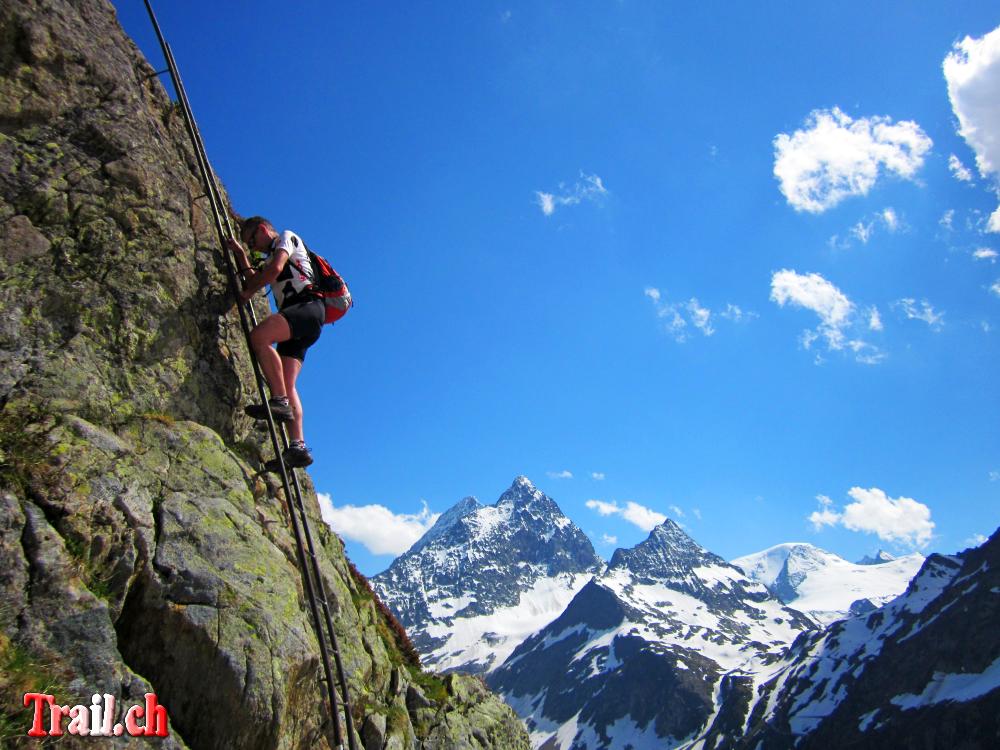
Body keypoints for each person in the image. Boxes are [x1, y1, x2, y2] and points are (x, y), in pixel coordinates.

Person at [228, 216, 324, 468]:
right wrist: (241, 257)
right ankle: (297, 447)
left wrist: (248, 292)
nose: (253, 247)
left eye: (252, 241)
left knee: (259, 337)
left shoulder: (286, 237)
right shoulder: (268, 255)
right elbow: (255, 277)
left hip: (305, 307)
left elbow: (273, 271)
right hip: (307, 318)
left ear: (262, 230)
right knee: (287, 382)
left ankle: (279, 402)